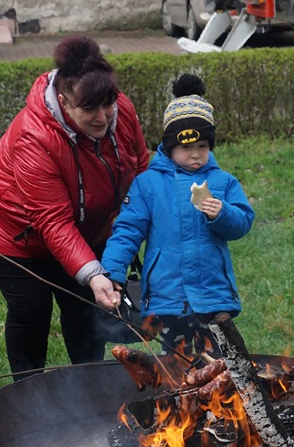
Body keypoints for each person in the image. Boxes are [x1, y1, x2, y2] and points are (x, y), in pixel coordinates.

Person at [0, 34, 149, 380]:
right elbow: (53, 222)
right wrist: (93, 274)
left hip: (85, 225)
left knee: (83, 306)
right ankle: (27, 393)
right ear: (64, 101)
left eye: (108, 104)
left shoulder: (120, 110)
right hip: (13, 233)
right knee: (31, 309)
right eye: (89, 109)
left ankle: (88, 385)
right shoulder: (33, 138)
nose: (103, 116)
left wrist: (147, 225)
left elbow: (140, 166)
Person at [96, 74, 254, 355]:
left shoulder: (223, 182)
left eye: (202, 147)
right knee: (178, 363)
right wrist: (112, 272)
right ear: (169, 148)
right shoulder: (148, 184)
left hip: (213, 294)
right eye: (186, 148)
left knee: (222, 363)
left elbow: (242, 223)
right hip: (168, 296)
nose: (195, 155)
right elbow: (128, 231)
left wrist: (223, 214)